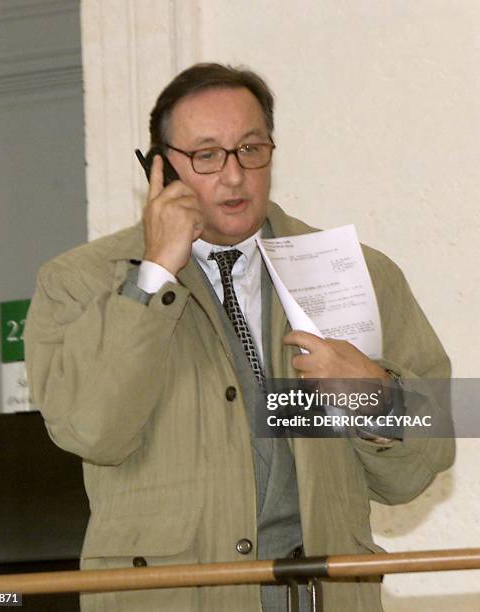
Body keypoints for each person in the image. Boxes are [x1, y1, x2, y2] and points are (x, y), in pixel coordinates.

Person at [24, 63, 454, 612]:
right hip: (173, 599)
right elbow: (91, 429)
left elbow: (433, 450)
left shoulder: (352, 270)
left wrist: (376, 395)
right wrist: (154, 272)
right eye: (206, 155)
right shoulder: (79, 280)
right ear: (161, 168)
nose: (233, 176)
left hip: (323, 592)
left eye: (250, 149)